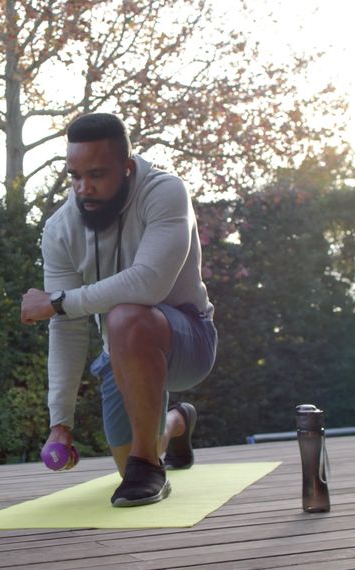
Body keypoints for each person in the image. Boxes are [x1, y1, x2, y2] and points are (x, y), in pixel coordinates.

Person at [21, 113, 217, 507]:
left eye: (96, 175)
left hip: (189, 340)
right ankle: (177, 422)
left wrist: (57, 302)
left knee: (126, 314)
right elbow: (67, 328)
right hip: (121, 351)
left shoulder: (165, 192)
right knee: (126, 464)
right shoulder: (60, 230)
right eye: (75, 176)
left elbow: (149, 283)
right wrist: (60, 423)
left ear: (127, 169)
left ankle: (151, 463)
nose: (83, 188)